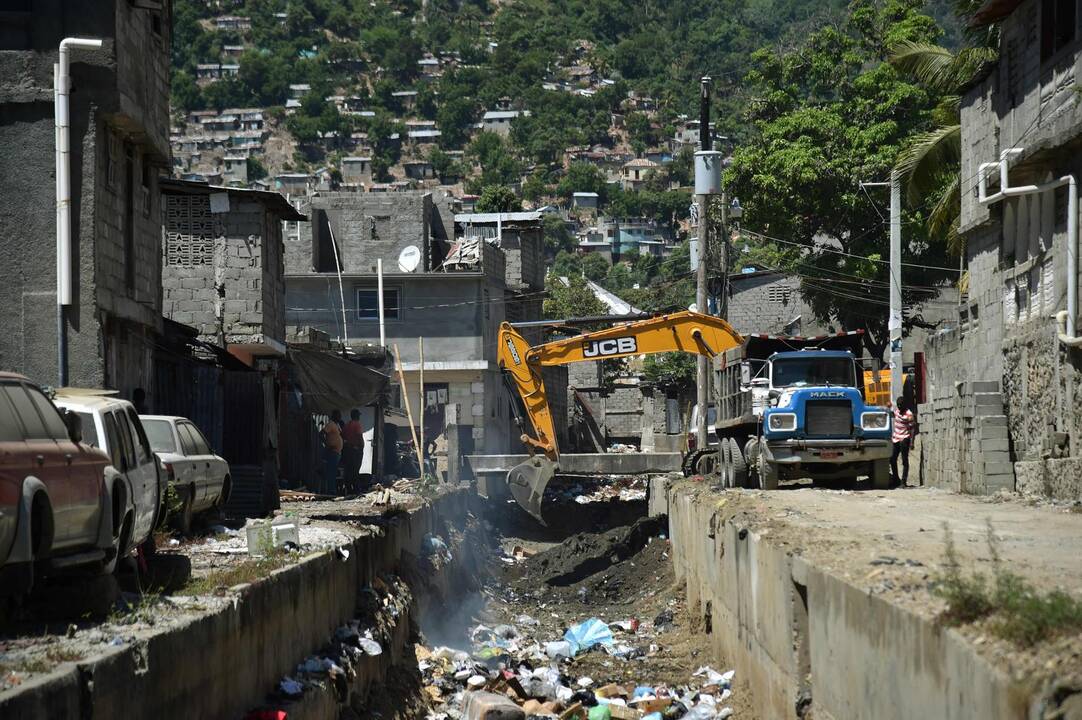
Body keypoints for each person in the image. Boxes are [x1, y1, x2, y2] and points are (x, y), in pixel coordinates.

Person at [891, 396, 915, 487]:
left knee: (904, 461)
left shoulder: (909, 414)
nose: (899, 407)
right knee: (892, 459)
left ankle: (903, 482)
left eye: (901, 405)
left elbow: (912, 428)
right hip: (895, 438)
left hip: (905, 439)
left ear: (905, 405)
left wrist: (912, 442)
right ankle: (896, 479)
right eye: (898, 405)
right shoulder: (896, 411)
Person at [341, 409, 366, 494]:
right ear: (356, 416)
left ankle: (348, 488)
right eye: (358, 415)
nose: (359, 417)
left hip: (347, 449)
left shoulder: (346, 425)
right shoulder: (357, 424)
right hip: (355, 450)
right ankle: (356, 489)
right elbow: (359, 436)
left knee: (348, 470)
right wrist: (361, 447)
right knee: (355, 470)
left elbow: (342, 436)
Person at [319, 410, 344, 496]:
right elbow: (321, 434)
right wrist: (327, 444)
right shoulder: (331, 424)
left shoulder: (337, 425)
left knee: (333, 472)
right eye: (338, 415)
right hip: (332, 452)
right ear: (334, 416)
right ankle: (331, 491)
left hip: (337, 452)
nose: (340, 417)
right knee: (331, 472)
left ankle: (332, 490)